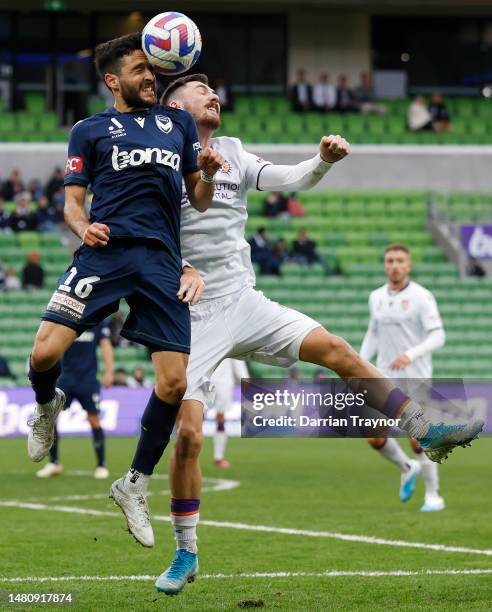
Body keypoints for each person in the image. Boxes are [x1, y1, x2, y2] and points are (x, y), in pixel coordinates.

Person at [123, 74, 482, 595]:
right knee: (190, 438)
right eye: (200, 90)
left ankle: (423, 427)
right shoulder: (157, 159)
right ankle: (186, 553)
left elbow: (291, 177)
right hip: (189, 314)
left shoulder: (233, 152)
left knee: (337, 349)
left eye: (214, 89)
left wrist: (324, 160)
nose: (213, 94)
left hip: (243, 301)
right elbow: (140, 234)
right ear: (175, 105)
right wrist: (176, 266)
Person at [25, 33, 223, 555]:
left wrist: (203, 175)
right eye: (140, 68)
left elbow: (198, 202)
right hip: (106, 252)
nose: (151, 75)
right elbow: (71, 203)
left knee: (174, 383)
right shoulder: (88, 131)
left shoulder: (178, 124)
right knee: (44, 352)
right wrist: (82, 228)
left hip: (160, 261)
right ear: (113, 80)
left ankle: (134, 482)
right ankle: (46, 406)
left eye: (153, 69)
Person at [360, 244, 446, 512]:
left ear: (408, 265)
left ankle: (433, 495)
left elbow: (438, 336)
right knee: (373, 436)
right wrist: (360, 363)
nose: (394, 265)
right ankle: (407, 467)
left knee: (418, 438)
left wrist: (410, 354)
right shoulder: (376, 297)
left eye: (399, 261)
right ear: (385, 265)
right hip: (384, 376)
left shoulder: (422, 297)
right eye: (389, 261)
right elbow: (373, 333)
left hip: (415, 377)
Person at [36, 321, 114, 480]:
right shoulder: (67, 320)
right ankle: (54, 463)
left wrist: (109, 372)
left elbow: (106, 345)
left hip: (88, 380)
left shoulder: (98, 321)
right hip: (66, 379)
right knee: (52, 418)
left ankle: (101, 465)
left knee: (94, 420)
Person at [209, 358, 249, 468]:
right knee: (198, 416)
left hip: (221, 383)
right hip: (211, 382)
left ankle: (218, 457)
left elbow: (237, 359)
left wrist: (244, 378)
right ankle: (191, 454)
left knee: (220, 417)